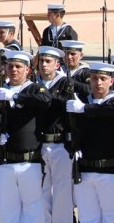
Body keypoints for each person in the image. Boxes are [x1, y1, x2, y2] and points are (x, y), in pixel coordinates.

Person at [0, 50, 51, 223]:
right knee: (7, 209)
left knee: (33, 210)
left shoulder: (34, 88)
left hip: (29, 162)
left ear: (27, 70)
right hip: (5, 160)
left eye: (18, 66)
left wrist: (16, 96)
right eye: (10, 66)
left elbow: (45, 99)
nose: (14, 70)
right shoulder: (0, 89)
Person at [34, 46, 87, 223]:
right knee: (42, 192)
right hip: (39, 144)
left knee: (62, 192)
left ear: (57, 64)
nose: (43, 65)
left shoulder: (65, 84)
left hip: (60, 144)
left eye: (48, 61)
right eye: (41, 61)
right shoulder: (35, 84)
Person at [65, 62, 114, 223]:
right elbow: (68, 131)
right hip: (84, 170)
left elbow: (107, 110)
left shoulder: (108, 102)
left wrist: (83, 109)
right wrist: (71, 146)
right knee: (87, 217)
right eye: (94, 78)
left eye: (103, 78)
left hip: (109, 172)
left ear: (111, 81)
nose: (98, 83)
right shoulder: (80, 102)